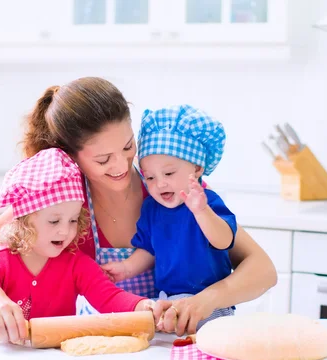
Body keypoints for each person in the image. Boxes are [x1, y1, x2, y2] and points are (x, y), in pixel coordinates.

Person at [0, 77, 278, 343]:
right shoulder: (63, 206)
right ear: (72, 157)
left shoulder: (170, 189)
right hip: (104, 353)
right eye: (103, 159)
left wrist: (206, 300)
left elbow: (263, 268)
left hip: (175, 347)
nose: (121, 165)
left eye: (128, 146)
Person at [0, 147, 154, 344]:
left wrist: (145, 308)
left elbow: (110, 298)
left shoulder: (76, 264)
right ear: (25, 221)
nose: (65, 231)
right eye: (54, 221)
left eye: (73, 220)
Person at [101, 104, 238, 332]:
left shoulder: (208, 201)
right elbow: (148, 250)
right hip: (167, 298)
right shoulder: (152, 208)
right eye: (151, 177)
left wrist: (201, 211)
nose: (160, 184)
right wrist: (126, 268)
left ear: (196, 168)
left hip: (208, 304)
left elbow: (223, 240)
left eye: (169, 173)